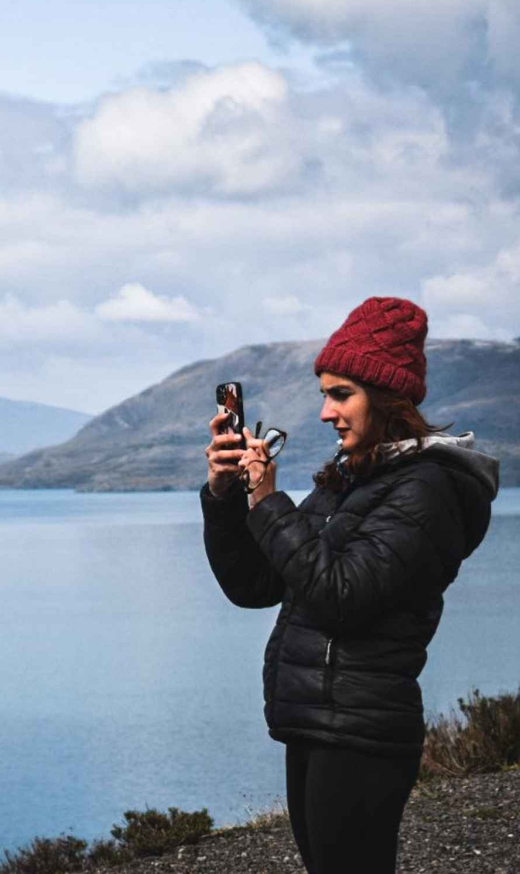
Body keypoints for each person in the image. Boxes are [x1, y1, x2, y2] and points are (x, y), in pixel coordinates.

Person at [201, 296, 500, 874]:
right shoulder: (346, 483)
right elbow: (256, 583)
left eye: (342, 395)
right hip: (313, 722)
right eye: (324, 395)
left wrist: (267, 500)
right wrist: (225, 498)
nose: (325, 412)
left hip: (362, 735)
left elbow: (341, 597)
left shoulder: (425, 490)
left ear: (388, 400)